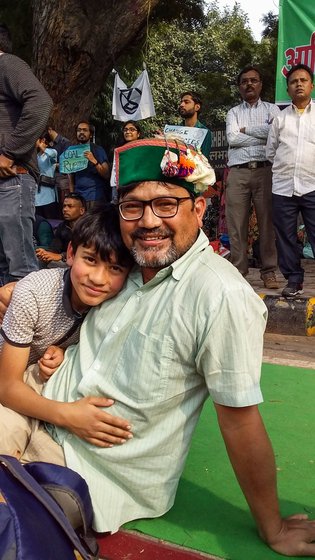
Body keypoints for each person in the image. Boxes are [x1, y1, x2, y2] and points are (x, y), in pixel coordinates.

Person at [2, 138, 315, 556]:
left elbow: (240, 420)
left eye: (167, 204)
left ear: (199, 209)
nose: (149, 221)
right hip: (29, 405)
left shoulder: (220, 296)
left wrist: (272, 527)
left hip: (85, 467)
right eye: (133, 206)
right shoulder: (127, 264)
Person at [0, 205, 134, 459]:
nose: (98, 278)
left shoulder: (112, 306)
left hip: (33, 383)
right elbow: (7, 387)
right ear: (71, 253)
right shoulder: (34, 293)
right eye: (91, 260)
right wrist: (68, 415)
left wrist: (63, 350)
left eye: (115, 268)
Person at [0, 23, 53, 286]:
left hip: (12, 177)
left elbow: (41, 102)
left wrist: (10, 152)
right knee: (2, 264)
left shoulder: (7, 63)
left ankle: (30, 325)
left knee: (19, 266)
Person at [225, 65, 280, 289]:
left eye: (254, 80)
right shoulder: (233, 112)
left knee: (268, 222)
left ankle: (269, 272)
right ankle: (239, 271)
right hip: (238, 172)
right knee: (236, 225)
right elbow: (232, 138)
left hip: (265, 170)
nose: (249, 84)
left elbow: (274, 134)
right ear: (240, 87)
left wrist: (245, 130)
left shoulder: (273, 110)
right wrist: (260, 134)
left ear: (260, 84)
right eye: (245, 81)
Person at [266, 63, 315, 298]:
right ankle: (293, 280)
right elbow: (270, 152)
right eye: (294, 81)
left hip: (313, 185)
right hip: (283, 187)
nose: (299, 84)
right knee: (285, 236)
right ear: (287, 89)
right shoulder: (280, 119)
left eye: (303, 80)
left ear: (311, 85)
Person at [36, 193, 87, 266]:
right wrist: (45, 253)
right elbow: (55, 248)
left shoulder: (89, 228)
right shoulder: (62, 226)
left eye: (70, 206)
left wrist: (61, 256)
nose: (65, 209)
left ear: (81, 210)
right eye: (64, 206)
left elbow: (85, 252)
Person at [68, 121, 110, 207]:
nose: (81, 132)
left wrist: (94, 161)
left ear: (90, 135)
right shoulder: (72, 151)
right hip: (78, 198)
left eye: (85, 130)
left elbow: (106, 174)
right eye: (79, 130)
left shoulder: (98, 150)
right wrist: (72, 195)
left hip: (95, 197)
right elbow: (70, 176)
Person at [179, 91, 212, 160]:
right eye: (181, 102)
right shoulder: (173, 130)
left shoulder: (205, 132)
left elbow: (204, 160)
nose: (181, 105)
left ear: (197, 107)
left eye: (186, 102)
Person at [35, 135, 59, 219]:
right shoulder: (35, 156)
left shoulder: (52, 152)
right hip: (36, 196)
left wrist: (42, 147)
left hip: (48, 194)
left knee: (51, 221)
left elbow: (52, 156)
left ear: (43, 140)